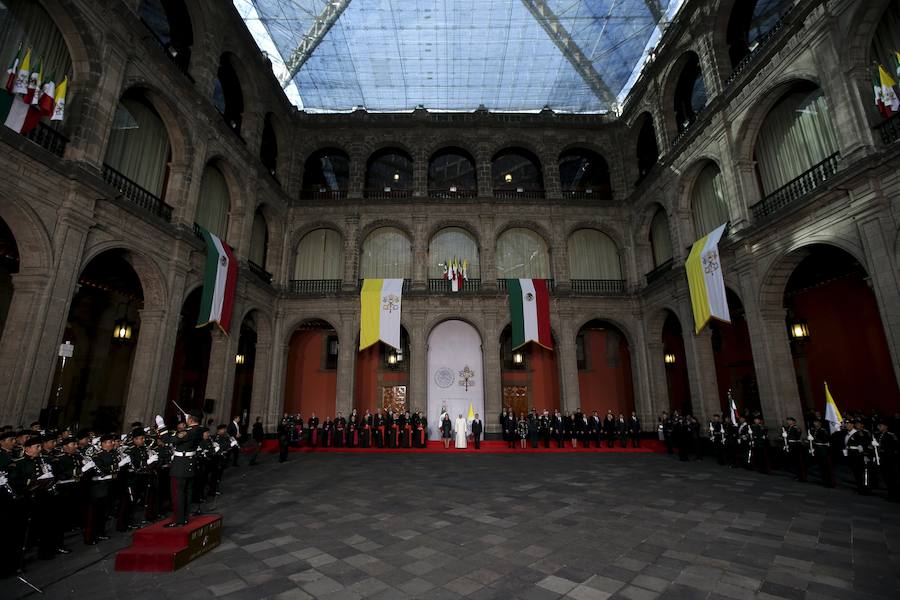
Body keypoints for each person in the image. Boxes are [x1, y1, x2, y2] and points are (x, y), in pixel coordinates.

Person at [163, 411, 204, 527]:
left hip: (181, 466)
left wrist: (161, 426)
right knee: (188, 492)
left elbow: (168, 439)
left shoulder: (188, 432)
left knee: (178, 493)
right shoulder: (200, 429)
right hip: (190, 464)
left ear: (190, 420)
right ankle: (185, 517)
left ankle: (178, 519)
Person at [874, 421, 899, 502]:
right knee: (886, 477)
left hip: (889, 460)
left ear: (885, 427)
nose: (879, 427)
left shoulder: (891, 435)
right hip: (882, 459)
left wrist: (881, 448)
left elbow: (894, 447)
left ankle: (894, 495)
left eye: (880, 426)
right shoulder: (878, 435)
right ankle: (890, 494)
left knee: (891, 478)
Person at [809, 418, 835, 487]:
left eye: (816, 422)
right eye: (814, 422)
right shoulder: (814, 430)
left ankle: (830, 482)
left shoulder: (823, 430)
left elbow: (824, 440)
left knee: (826, 467)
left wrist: (814, 439)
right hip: (818, 450)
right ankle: (825, 481)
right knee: (821, 467)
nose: (815, 424)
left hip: (823, 450)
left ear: (820, 423)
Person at [783, 417, 807, 482]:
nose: (788, 422)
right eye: (788, 421)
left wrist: (787, 436)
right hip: (791, 446)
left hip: (796, 446)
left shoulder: (796, 428)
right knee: (794, 462)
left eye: (790, 421)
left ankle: (802, 476)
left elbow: (797, 436)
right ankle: (797, 475)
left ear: (794, 422)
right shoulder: (788, 428)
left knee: (798, 462)